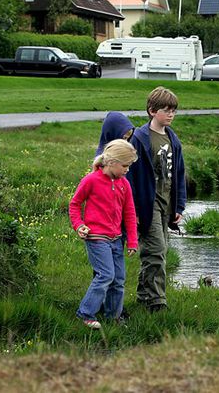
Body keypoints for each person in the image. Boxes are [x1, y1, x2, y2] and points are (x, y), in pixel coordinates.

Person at [127, 86, 186, 312]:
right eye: (166, 110)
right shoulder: (140, 138)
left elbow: (179, 173)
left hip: (166, 204)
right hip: (147, 205)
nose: (171, 114)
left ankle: (144, 296)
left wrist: (179, 205)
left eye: (174, 110)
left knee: (157, 251)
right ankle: (156, 302)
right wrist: (133, 212)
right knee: (157, 251)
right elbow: (130, 177)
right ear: (152, 111)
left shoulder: (173, 138)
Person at [69, 139, 139, 329]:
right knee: (106, 274)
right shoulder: (91, 180)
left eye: (129, 166)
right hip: (96, 238)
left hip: (117, 239)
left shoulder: (124, 184)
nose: (127, 170)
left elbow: (130, 214)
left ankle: (112, 318)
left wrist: (132, 240)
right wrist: (79, 225)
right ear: (111, 162)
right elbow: (75, 204)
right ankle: (85, 314)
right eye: (125, 165)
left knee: (119, 279)